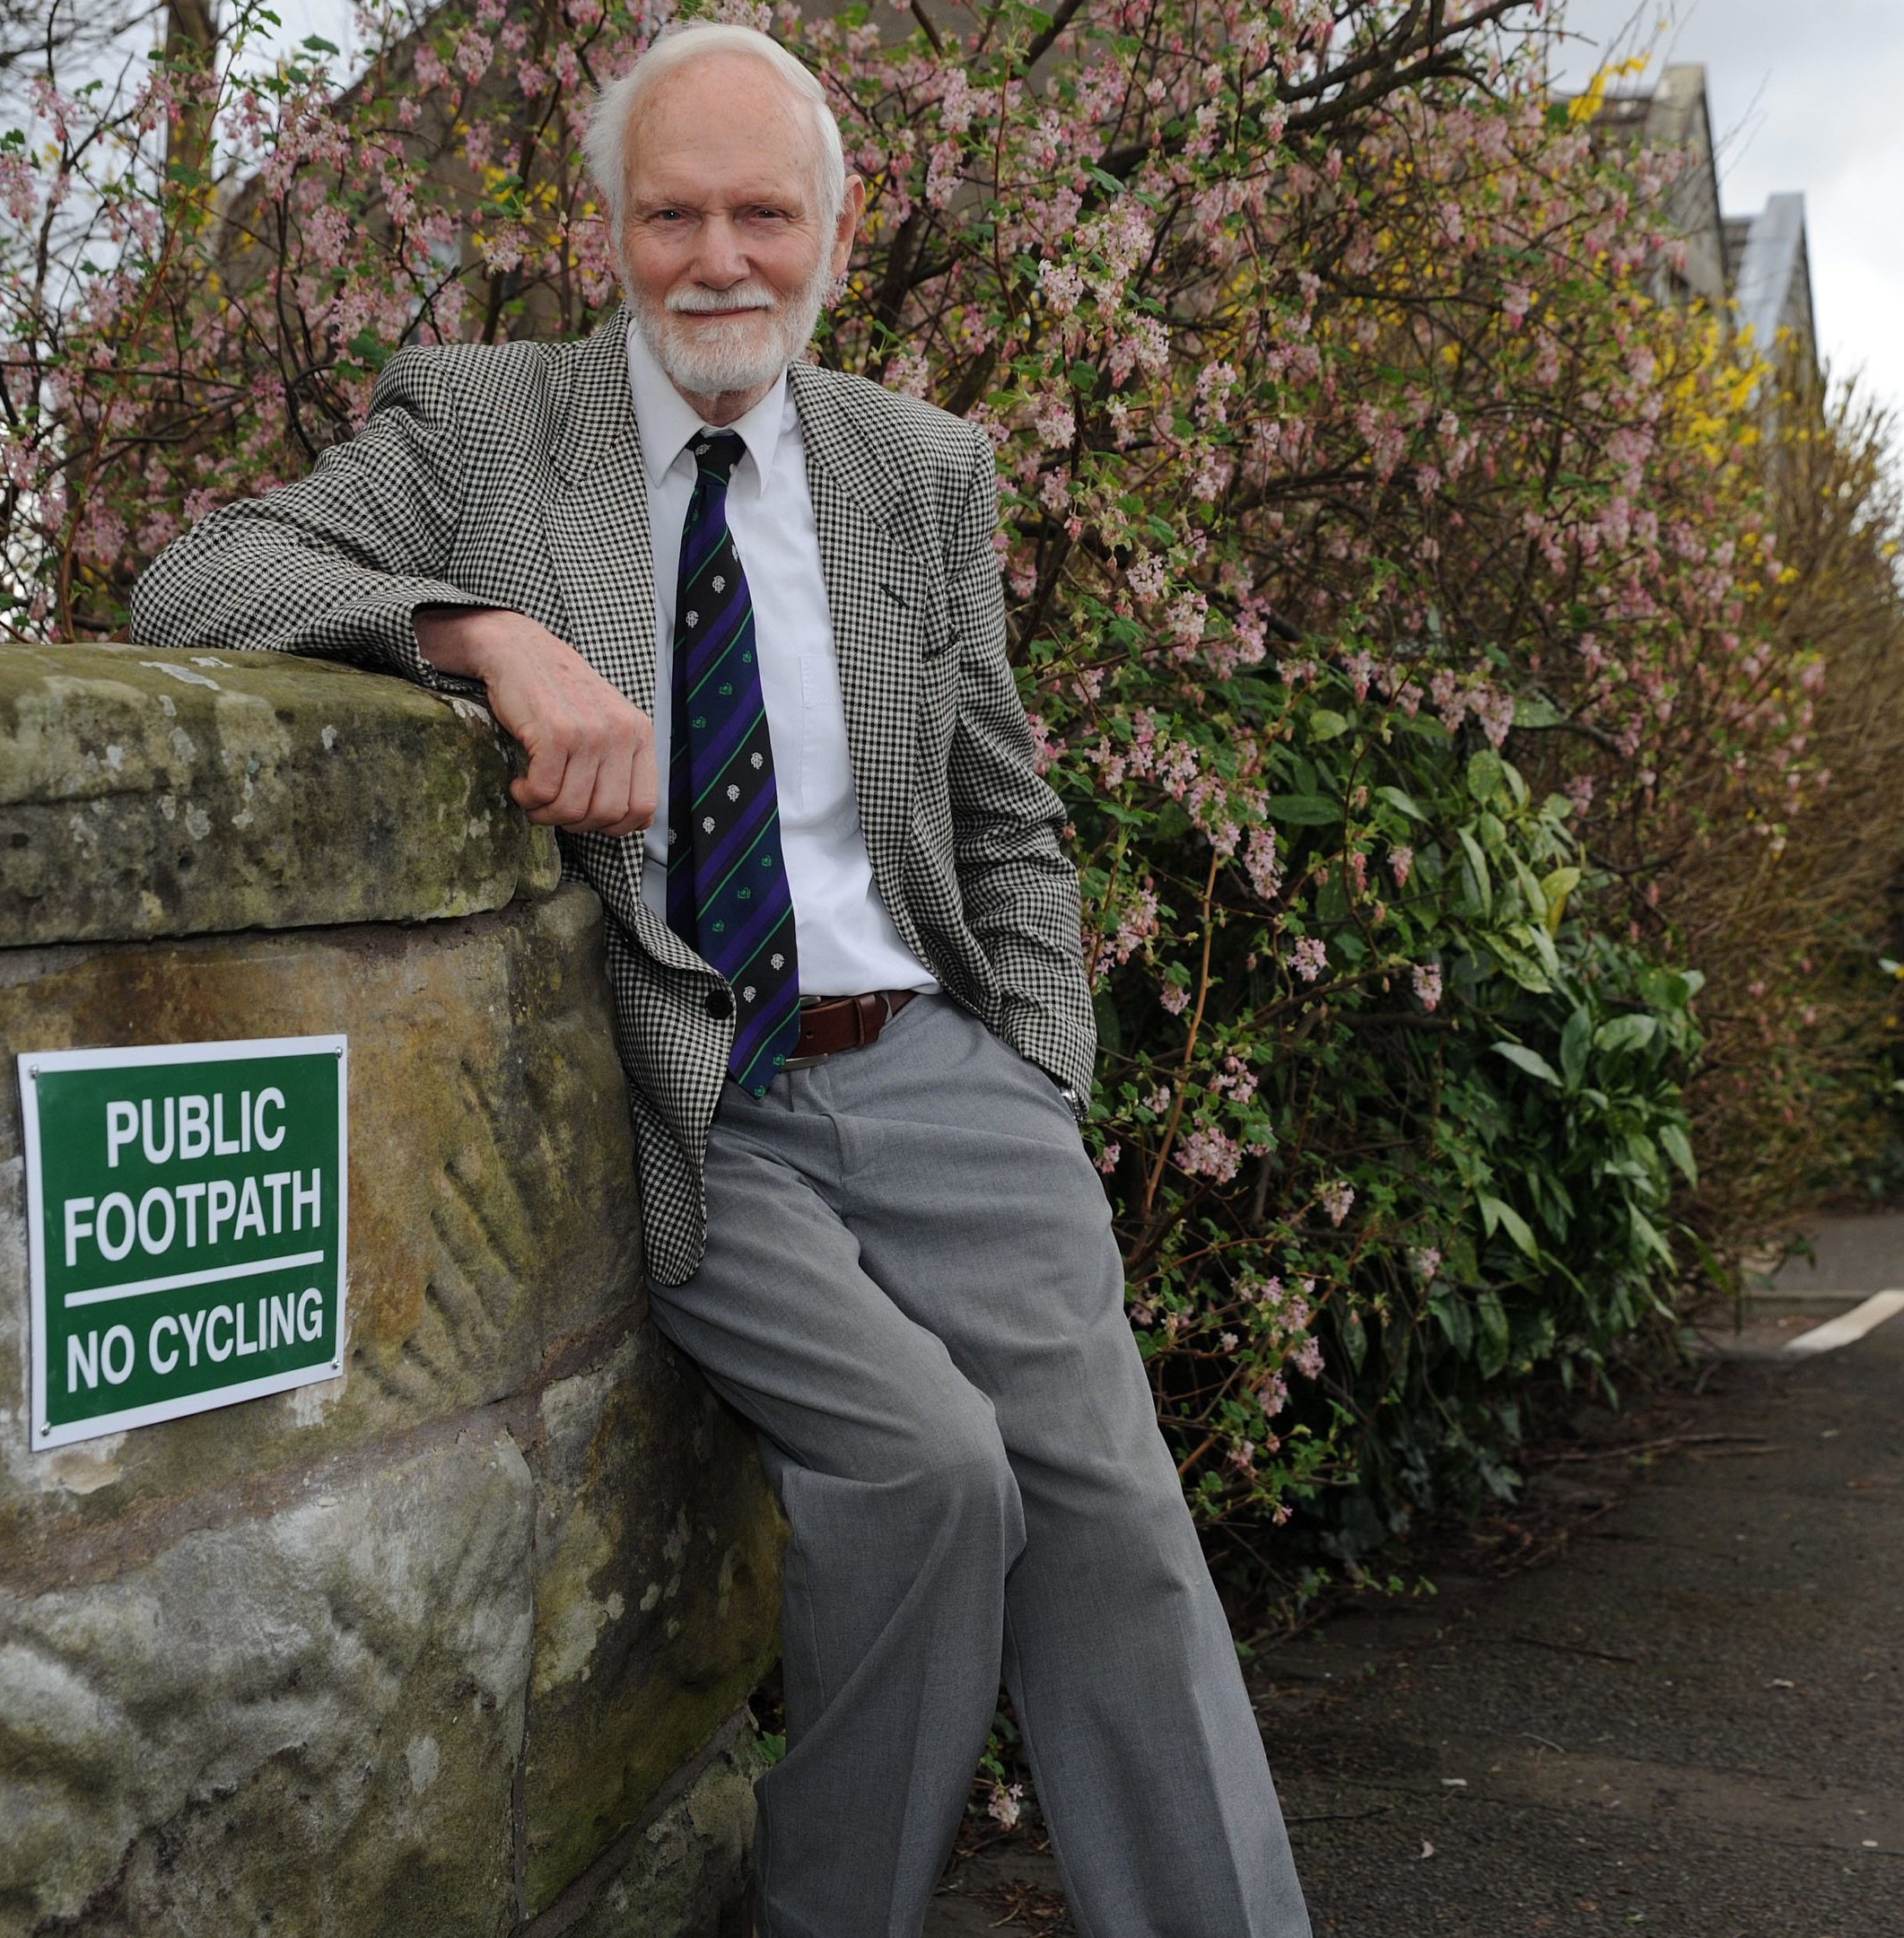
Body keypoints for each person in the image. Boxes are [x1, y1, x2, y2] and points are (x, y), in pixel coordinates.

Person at [128, 26, 1312, 1937]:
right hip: (700, 1093)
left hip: (937, 1067)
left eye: (764, 213)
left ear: (841, 230)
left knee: (1113, 1518)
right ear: (607, 233)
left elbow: (1004, 812)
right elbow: (197, 579)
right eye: (672, 213)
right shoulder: (486, 424)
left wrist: (1041, 1067)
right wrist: (479, 632)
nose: (719, 258)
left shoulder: (918, 471)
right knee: (928, 1478)